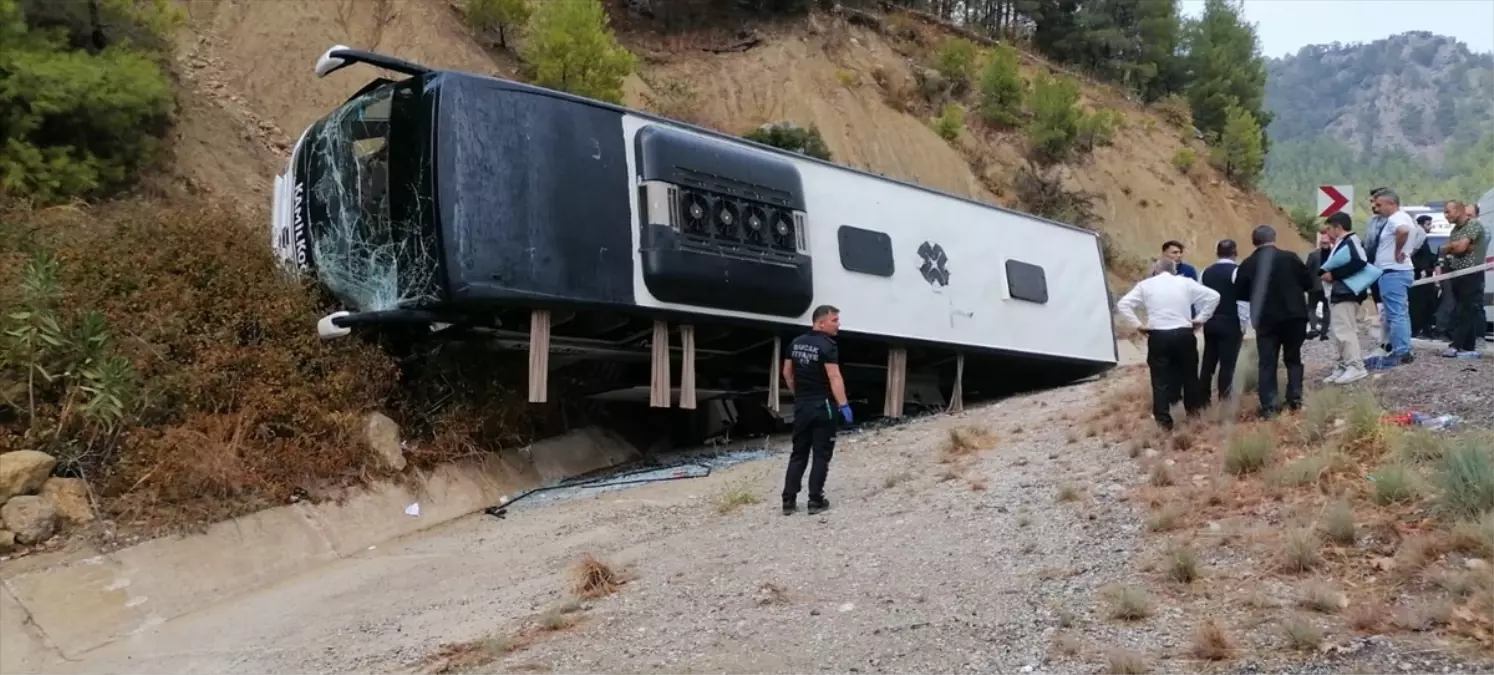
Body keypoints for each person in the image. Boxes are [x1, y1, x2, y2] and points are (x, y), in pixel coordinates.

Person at [1116, 258, 1220, 431]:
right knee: (1189, 376)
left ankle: (1164, 421)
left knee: (1160, 379)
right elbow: (1214, 296)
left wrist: (1138, 324)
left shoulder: (1146, 285)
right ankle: (1193, 414)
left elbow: (1123, 304)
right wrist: (1201, 319)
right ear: (1175, 270)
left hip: (1158, 334)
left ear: (1156, 270)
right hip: (1183, 333)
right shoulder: (1186, 283)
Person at [1234, 225, 1313, 418]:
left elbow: (1240, 293)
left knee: (1267, 362)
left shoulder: (1248, 263)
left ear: (1254, 241)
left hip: (1265, 319)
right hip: (1294, 316)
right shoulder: (1291, 258)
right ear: (1274, 238)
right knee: (1293, 358)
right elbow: (1309, 283)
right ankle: (1295, 399)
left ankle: (1269, 405)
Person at [781, 304, 852, 515]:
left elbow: (787, 373)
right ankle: (815, 500)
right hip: (823, 407)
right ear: (820, 322)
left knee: (798, 453)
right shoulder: (828, 346)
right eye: (834, 320)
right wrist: (844, 404)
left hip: (802, 406)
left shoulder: (795, 343)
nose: (838, 325)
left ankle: (788, 500)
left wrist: (799, 394)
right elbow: (834, 377)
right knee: (821, 454)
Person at [1318, 212, 1379, 385]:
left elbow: (1360, 261)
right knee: (1339, 331)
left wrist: (1335, 275)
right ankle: (1344, 364)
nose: (1327, 232)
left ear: (1338, 227)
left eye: (1329, 228)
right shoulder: (1340, 244)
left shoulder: (1351, 241)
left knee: (1345, 330)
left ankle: (1355, 366)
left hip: (1345, 292)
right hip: (1339, 292)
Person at [1367, 190, 1423, 368]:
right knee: (1400, 312)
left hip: (1393, 271)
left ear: (1391, 203)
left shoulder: (1395, 219)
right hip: (1399, 270)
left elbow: (1403, 231)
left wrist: (1397, 251)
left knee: (1396, 313)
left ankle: (1401, 351)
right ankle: (1402, 348)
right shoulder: (1405, 217)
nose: (1377, 208)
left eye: (1379, 204)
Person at [1198, 239, 1250, 406]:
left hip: (1211, 321)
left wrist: (1203, 318)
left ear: (1217, 252)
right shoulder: (1237, 272)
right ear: (1235, 253)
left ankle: (1203, 399)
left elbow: (1200, 299)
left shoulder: (1205, 272)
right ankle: (1224, 399)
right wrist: (1243, 325)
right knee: (1227, 364)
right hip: (1230, 321)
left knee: (1208, 362)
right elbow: (1242, 301)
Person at [1439, 200, 1489, 359]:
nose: (1445, 216)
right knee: (1463, 308)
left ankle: (1456, 345)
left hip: (1471, 273)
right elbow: (1444, 248)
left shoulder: (1473, 225)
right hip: (1457, 273)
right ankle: (1468, 346)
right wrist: (1453, 247)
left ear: (1459, 211)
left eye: (1448, 212)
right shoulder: (1455, 230)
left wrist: (1453, 247)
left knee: (1465, 309)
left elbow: (1459, 248)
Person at [1410, 214, 1440, 338]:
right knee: (1420, 304)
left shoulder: (1422, 237)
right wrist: (1421, 270)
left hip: (1423, 275)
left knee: (1424, 304)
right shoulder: (1420, 235)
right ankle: (1419, 329)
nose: (1430, 227)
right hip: (1421, 276)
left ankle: (1422, 329)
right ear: (1422, 224)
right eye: (1428, 224)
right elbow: (1414, 253)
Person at [1304, 227, 1332, 341]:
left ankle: (1314, 329)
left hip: (1314, 286)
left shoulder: (1313, 255)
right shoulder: (1333, 255)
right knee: (1326, 309)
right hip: (1327, 286)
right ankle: (1324, 333)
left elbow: (1306, 270)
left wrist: (1306, 284)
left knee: (1311, 308)